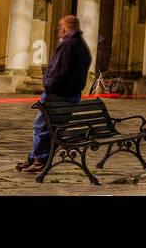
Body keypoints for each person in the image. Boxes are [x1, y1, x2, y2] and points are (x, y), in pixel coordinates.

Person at [18, 14, 91, 173]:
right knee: (52, 127)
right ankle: (34, 157)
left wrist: (48, 85)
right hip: (71, 94)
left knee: (41, 126)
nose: (58, 29)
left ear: (66, 28)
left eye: (60, 26)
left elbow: (59, 71)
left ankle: (40, 160)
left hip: (58, 95)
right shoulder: (81, 44)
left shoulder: (68, 44)